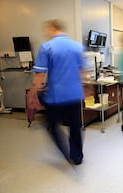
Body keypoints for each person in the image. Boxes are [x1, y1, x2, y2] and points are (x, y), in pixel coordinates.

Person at [30, 19, 85, 165]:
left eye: (47, 30)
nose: (46, 33)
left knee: (51, 125)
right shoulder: (77, 46)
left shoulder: (47, 47)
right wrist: (88, 88)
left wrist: (33, 94)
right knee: (75, 126)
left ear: (53, 28)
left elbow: (40, 75)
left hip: (57, 96)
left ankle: (65, 151)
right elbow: (84, 71)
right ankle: (77, 156)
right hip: (74, 94)